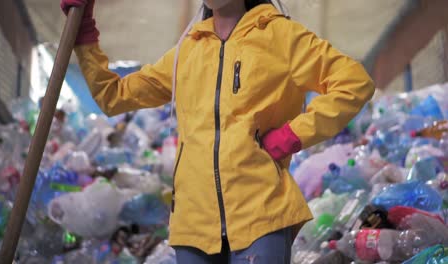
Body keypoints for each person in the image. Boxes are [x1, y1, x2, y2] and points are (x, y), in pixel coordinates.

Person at [60, 0, 375, 263]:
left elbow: (353, 83)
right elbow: (114, 96)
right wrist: (84, 35)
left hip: (261, 213)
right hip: (193, 223)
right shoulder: (188, 51)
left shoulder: (281, 36)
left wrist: (291, 135)